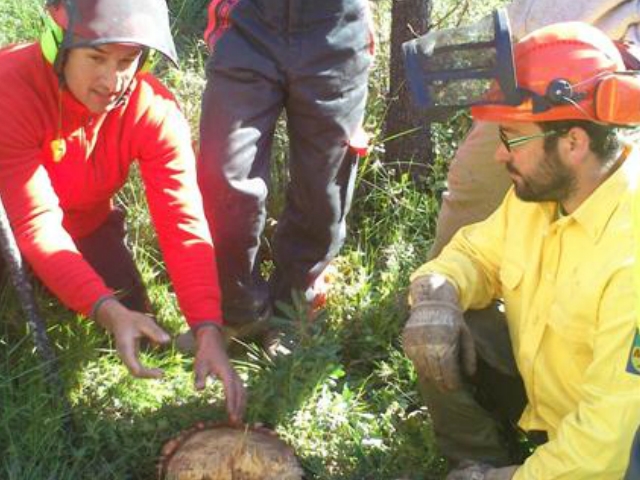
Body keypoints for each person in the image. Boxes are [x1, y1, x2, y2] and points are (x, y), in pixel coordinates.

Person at [403, 22, 640, 479]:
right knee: (444, 322)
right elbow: (473, 254)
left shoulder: (630, 257)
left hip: (616, 446)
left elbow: (602, 448)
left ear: (573, 142)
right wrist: (437, 293)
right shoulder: (542, 195)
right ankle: (475, 460)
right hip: (558, 408)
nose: (498, 154)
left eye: (511, 136)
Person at [0, 0, 245, 424]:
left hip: (85, 222)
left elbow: (181, 218)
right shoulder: (11, 91)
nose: (112, 80)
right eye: (96, 57)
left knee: (139, 321)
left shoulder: (152, 107)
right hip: (7, 222)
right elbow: (35, 222)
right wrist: (106, 310)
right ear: (60, 47)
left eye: (128, 60)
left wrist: (208, 326)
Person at [196, 0, 374, 341]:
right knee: (223, 174)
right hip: (251, 22)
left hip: (335, 27)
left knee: (323, 189)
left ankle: (291, 311)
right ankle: (238, 310)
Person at [429, 0, 640, 258]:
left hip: (599, 71)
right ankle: (443, 285)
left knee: (583, 214)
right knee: (475, 183)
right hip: (525, 57)